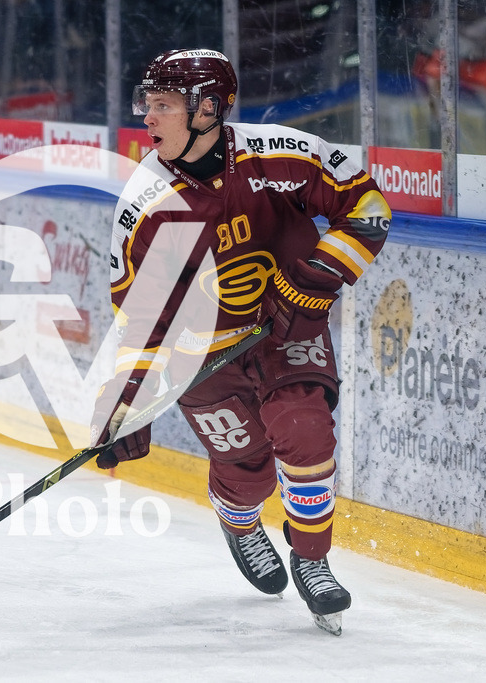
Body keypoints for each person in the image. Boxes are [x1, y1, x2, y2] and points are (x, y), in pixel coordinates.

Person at [90, 49, 391, 635]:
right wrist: (129, 401)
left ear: (207, 109)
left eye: (161, 106)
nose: (147, 120)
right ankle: (239, 519)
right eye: (146, 105)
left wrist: (312, 279)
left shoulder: (282, 154)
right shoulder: (146, 205)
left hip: (286, 332)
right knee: (247, 469)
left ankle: (312, 557)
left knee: (305, 430)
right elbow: (141, 320)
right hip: (202, 358)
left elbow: (368, 208)